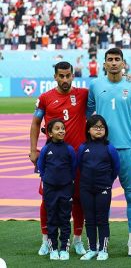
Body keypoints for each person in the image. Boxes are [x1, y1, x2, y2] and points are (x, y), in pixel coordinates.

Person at [87, 48, 131, 256]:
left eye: (117, 60)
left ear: (123, 63)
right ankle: (98, 243)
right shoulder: (96, 85)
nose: (114, 63)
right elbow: (86, 117)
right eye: (110, 60)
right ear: (104, 64)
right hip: (102, 150)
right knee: (100, 198)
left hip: (127, 149)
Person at [29, 61, 87, 257]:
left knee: (78, 199)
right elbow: (36, 123)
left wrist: (128, 77)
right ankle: (46, 240)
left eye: (68, 75)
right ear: (55, 76)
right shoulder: (45, 98)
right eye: (61, 76)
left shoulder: (83, 94)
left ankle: (77, 240)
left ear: (73, 75)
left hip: (77, 159)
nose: (64, 79)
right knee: (47, 200)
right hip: (52, 159)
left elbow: (109, 87)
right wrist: (33, 150)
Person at [76, 115, 120, 261]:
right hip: (86, 188)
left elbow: (116, 168)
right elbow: (79, 166)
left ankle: (103, 249)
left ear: (105, 130)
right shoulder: (83, 147)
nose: (99, 130)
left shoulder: (109, 148)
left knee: (102, 219)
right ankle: (92, 249)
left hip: (103, 188)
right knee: (89, 219)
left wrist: (107, 182)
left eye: (102, 127)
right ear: (88, 130)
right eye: (95, 127)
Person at [37, 118, 77, 261]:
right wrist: (48, 179)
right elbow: (41, 167)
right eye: (57, 129)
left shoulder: (69, 149)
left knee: (65, 219)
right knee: (52, 218)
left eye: (63, 128)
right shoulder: (46, 149)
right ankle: (53, 248)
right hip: (50, 189)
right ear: (50, 133)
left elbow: (74, 167)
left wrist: (67, 181)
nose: (61, 131)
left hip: (66, 188)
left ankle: (64, 248)